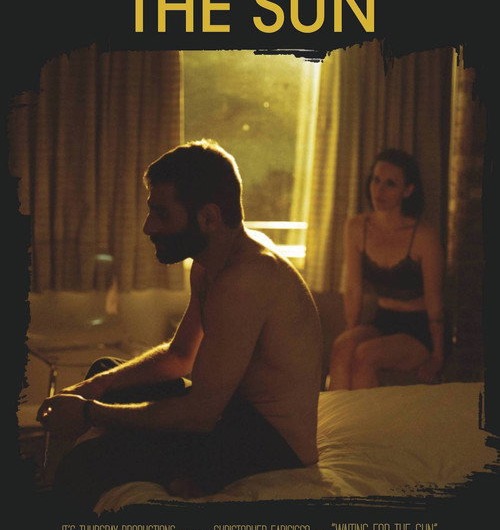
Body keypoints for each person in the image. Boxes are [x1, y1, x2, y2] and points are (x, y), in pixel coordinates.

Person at [37, 139, 323, 510]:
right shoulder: (208, 263)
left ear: (208, 218)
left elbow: (199, 415)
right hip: (226, 414)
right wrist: (93, 389)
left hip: (271, 443)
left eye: (161, 214)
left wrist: (89, 412)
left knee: (86, 461)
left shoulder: (246, 278)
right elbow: (179, 357)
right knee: (104, 372)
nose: (147, 227)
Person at [327, 148, 444, 391]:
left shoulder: (424, 236)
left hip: (418, 327)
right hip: (383, 319)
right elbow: (353, 288)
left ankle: (365, 418)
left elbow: (435, 300)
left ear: (407, 190)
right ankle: (338, 416)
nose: (379, 190)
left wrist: (438, 357)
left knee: (366, 355)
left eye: (390, 184)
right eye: (376, 180)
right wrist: (352, 332)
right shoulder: (357, 227)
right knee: (342, 347)